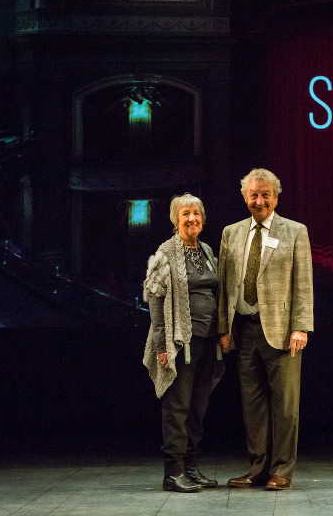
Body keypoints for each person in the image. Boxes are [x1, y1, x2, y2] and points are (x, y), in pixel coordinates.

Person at [217, 168, 314, 491]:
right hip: (244, 330)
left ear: (276, 196)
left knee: (285, 404)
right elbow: (225, 287)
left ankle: (282, 469)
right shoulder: (230, 233)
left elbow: (303, 284)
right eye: (254, 195)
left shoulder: (295, 231)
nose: (260, 200)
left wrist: (300, 327)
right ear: (245, 198)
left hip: (282, 332)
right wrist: (223, 328)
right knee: (253, 404)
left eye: (265, 194)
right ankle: (258, 467)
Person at [142, 193, 224, 493]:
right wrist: (163, 346)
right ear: (175, 219)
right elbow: (154, 299)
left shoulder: (206, 250)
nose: (192, 218)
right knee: (177, 408)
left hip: (207, 341)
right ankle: (173, 472)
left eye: (197, 213)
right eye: (186, 213)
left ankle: (190, 467)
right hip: (180, 344)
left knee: (197, 408)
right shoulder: (164, 252)